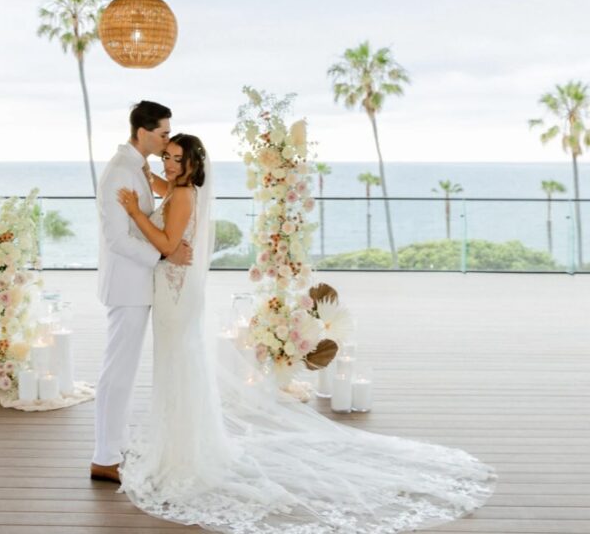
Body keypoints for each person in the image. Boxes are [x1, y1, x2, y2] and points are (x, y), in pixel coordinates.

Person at [115, 133, 497, 534]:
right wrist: (147, 175)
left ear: (192, 165)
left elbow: (167, 242)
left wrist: (134, 211)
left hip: (175, 294)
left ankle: (181, 453)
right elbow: (168, 195)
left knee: (177, 365)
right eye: (167, 157)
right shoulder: (180, 190)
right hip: (178, 292)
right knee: (180, 365)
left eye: (176, 159)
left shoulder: (183, 197)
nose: (168, 164)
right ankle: (184, 443)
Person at [91, 101, 192, 483]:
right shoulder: (121, 172)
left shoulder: (138, 169)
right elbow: (117, 239)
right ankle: (104, 457)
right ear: (143, 132)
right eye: (163, 133)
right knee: (117, 371)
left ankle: (114, 446)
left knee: (124, 371)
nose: (167, 140)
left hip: (137, 284)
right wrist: (163, 257)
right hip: (127, 286)